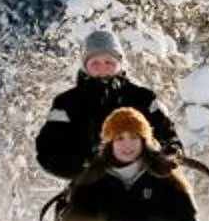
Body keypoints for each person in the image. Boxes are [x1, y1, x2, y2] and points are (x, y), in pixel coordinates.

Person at [49, 107, 203, 221]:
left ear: (145, 140)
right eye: (120, 138)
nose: (127, 145)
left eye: (134, 137)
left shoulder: (165, 178)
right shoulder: (90, 181)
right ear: (110, 143)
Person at [35, 27, 182, 182]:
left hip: (144, 184)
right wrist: (83, 166)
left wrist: (166, 156)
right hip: (90, 187)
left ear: (120, 63)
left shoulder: (143, 98)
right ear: (85, 66)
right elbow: (48, 150)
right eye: (95, 63)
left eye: (109, 62)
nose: (103, 69)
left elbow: (168, 136)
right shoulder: (66, 103)